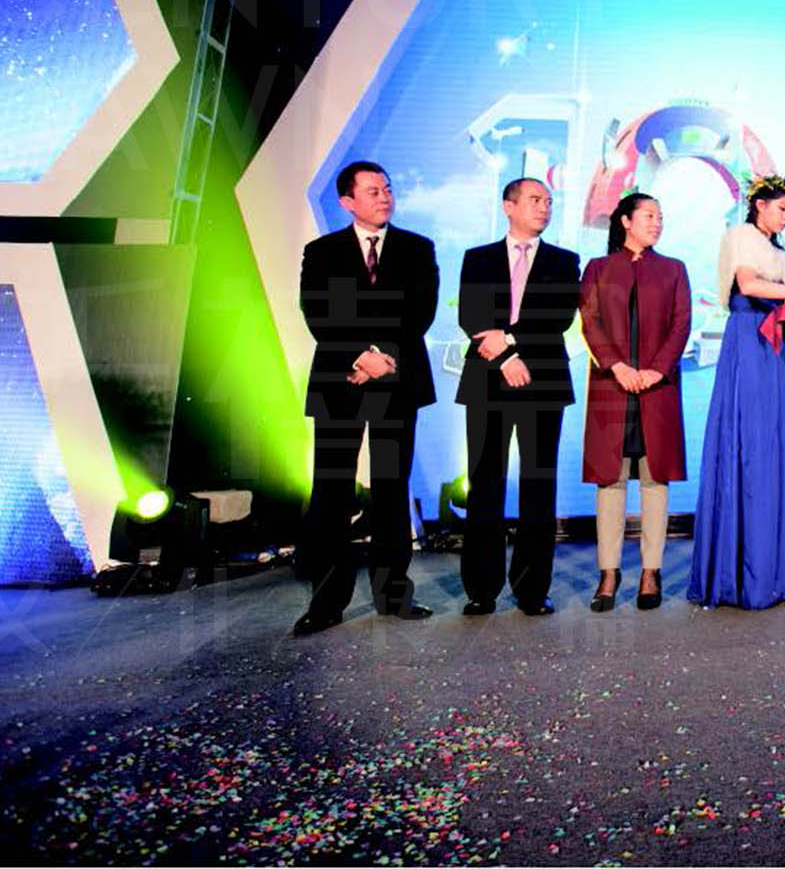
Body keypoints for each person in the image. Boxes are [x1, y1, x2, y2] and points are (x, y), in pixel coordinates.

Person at [293, 160, 439, 636]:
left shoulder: (417, 248)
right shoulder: (322, 252)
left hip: (397, 380)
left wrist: (382, 358)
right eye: (373, 190)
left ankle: (393, 595)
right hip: (341, 382)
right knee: (332, 492)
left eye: (387, 188)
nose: (384, 197)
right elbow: (319, 313)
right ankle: (326, 602)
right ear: (347, 201)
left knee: (391, 488)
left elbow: (419, 312)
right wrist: (358, 356)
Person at [689, 175, 785, 609]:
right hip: (748, 341)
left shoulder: (779, 252)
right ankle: (735, 574)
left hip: (772, 348)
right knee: (747, 442)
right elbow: (750, 286)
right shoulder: (742, 236)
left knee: (769, 445)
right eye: (782, 208)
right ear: (759, 205)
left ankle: (766, 570)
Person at [456, 177, 581, 616]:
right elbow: (470, 314)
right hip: (486, 379)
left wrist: (508, 342)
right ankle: (481, 588)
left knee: (538, 484)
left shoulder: (564, 261)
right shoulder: (478, 258)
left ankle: (531, 589)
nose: (544, 207)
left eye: (548, 201)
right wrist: (505, 358)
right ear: (508, 206)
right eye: (534, 200)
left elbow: (558, 316)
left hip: (542, 380)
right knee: (484, 482)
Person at [579, 193, 692, 612]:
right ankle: (608, 572)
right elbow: (589, 320)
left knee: (654, 479)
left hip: (657, 388)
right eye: (649, 215)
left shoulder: (674, 269)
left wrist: (657, 370)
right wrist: (617, 366)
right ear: (625, 221)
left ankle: (650, 571)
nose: (657, 222)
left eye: (660, 216)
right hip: (612, 387)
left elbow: (681, 323)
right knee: (609, 481)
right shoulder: (598, 268)